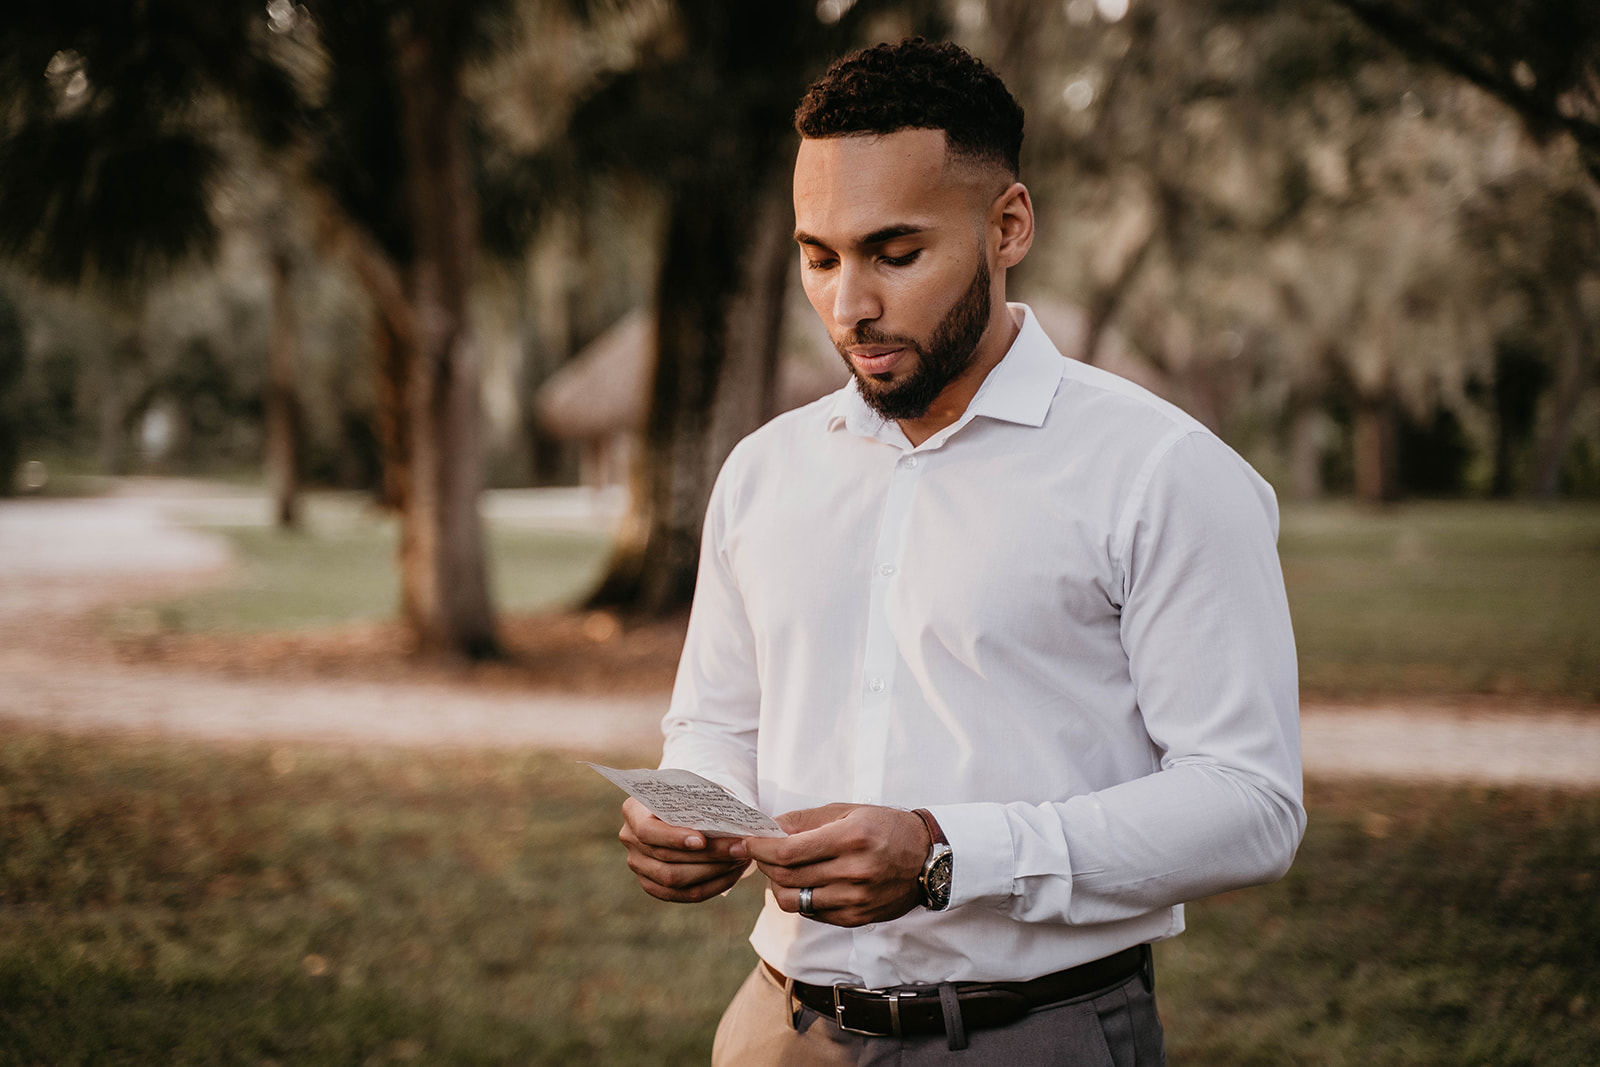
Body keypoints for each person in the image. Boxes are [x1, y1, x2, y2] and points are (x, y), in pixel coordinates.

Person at [617, 37, 1304, 1065]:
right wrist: (689, 809)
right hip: (777, 1025)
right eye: (820, 257)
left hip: (1032, 1033)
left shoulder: (1164, 472)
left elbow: (1250, 804)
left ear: (1008, 225)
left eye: (895, 254)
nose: (849, 305)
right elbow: (716, 720)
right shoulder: (763, 470)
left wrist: (948, 853)